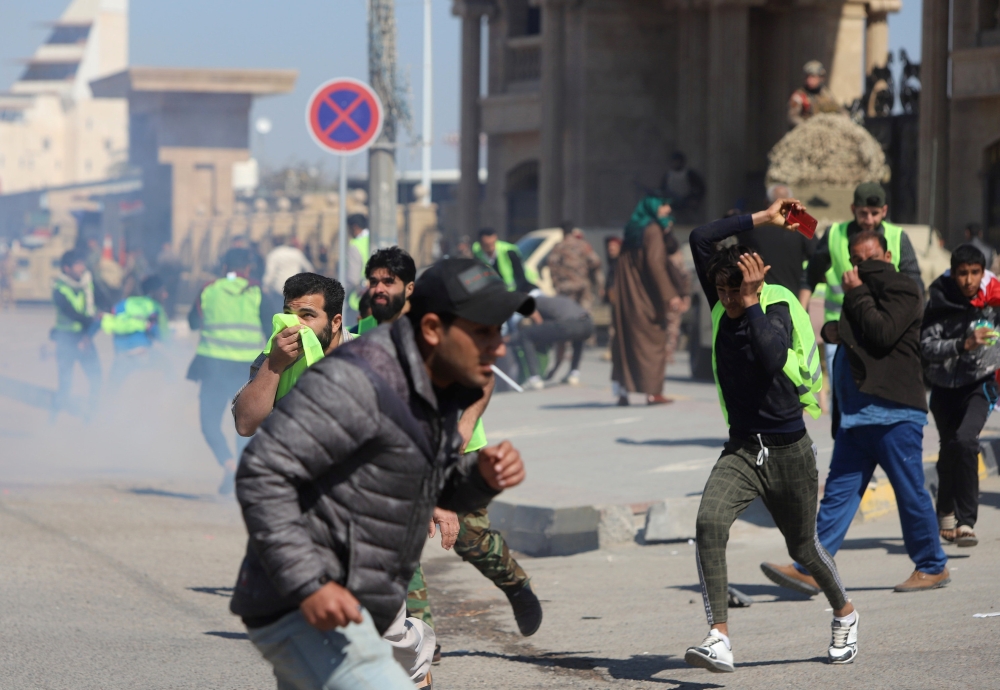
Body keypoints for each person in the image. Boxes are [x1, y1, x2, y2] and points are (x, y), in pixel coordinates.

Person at [229, 258, 532, 690]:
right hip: (304, 588)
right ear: (432, 331)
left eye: (498, 333)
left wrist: (470, 482)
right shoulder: (347, 377)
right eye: (482, 332)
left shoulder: (408, 376)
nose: (499, 348)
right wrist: (310, 584)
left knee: (393, 654)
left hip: (369, 572)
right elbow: (261, 471)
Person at [687, 199, 856, 673]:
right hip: (742, 447)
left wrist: (754, 299)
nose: (725, 298)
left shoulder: (776, 306)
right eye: (719, 288)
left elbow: (769, 354)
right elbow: (702, 237)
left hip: (788, 450)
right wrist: (763, 217)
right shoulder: (722, 292)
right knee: (708, 525)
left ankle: (845, 612)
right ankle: (719, 636)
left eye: (733, 289)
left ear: (753, 284)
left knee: (803, 548)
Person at [762, 230, 949, 598]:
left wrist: (856, 294)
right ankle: (811, 568)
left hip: (894, 414)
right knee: (837, 496)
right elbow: (854, 333)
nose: (864, 267)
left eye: (871, 259)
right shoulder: (861, 292)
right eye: (858, 261)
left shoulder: (904, 288)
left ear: (888, 255)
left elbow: (881, 332)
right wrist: (835, 329)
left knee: (910, 492)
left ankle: (932, 565)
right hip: (857, 416)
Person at [920, 244, 1000, 548]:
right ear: (953, 274)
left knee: (966, 441)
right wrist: (962, 345)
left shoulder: (993, 301)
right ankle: (945, 511)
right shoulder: (939, 301)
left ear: (982, 274)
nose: (968, 280)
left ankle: (967, 522)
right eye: (962, 273)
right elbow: (926, 347)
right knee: (949, 448)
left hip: (980, 384)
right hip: (943, 388)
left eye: (974, 273)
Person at [800, 182, 923, 377]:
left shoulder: (898, 237)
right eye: (863, 213)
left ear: (884, 210)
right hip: (840, 329)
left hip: (887, 326)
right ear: (853, 209)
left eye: (874, 213)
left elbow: (915, 284)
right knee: (841, 392)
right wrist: (799, 316)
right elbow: (810, 276)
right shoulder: (834, 235)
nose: (868, 219)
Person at [232, 273, 352, 437]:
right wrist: (274, 364)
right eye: (288, 314)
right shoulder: (277, 354)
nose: (294, 324)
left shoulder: (368, 356)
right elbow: (245, 425)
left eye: (307, 315)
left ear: (335, 322)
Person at [187, 248, 266, 494]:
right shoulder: (257, 292)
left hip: (212, 366)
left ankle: (229, 464)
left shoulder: (208, 290)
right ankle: (240, 470)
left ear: (223, 268)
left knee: (209, 423)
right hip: (247, 369)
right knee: (245, 423)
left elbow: (191, 322)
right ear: (248, 268)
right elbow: (275, 325)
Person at [609, 195, 679, 406]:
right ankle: (653, 393)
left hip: (626, 298)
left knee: (625, 343)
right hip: (645, 298)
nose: (667, 210)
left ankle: (623, 391)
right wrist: (670, 295)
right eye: (663, 206)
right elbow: (655, 264)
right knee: (653, 343)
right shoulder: (652, 231)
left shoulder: (632, 230)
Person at [737, 184, 816, 295]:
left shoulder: (753, 227)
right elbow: (816, 255)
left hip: (762, 296)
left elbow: (731, 224)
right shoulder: (800, 226)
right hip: (793, 298)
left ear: (766, 202)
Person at [51, 250, 101, 420]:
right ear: (67, 268)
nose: (83, 268)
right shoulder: (59, 289)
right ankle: (54, 419)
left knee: (96, 377)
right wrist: (94, 320)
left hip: (85, 337)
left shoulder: (87, 285)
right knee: (65, 382)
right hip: (67, 339)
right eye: (78, 264)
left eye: (82, 263)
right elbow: (72, 313)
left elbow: (102, 304)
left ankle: (92, 414)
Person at [101, 274, 171, 392]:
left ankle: (102, 408)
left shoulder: (123, 304)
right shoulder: (154, 306)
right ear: (153, 292)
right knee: (170, 370)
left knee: (112, 389)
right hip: (142, 353)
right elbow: (162, 335)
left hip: (121, 355)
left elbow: (106, 321)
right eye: (162, 291)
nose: (165, 295)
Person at [517, 292, 594, 389]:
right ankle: (574, 374)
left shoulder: (533, 301)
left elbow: (538, 322)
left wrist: (539, 340)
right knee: (578, 335)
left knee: (526, 335)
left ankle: (534, 379)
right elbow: (560, 338)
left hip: (568, 325)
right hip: (588, 325)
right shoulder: (555, 301)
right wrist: (555, 369)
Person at [547, 220, 604, 310]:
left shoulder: (559, 247)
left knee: (569, 314)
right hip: (582, 285)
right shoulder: (583, 245)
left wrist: (556, 283)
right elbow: (595, 261)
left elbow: (552, 265)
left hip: (566, 287)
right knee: (584, 314)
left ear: (563, 232)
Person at [262, 236, 314, 329]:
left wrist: (265, 286)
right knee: (295, 316)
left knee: (280, 316)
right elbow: (309, 269)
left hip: (279, 291)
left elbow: (270, 274)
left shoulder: (273, 254)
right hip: (296, 290)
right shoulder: (296, 253)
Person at [472, 227, 537, 293]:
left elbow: (520, 276)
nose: (490, 248)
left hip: (516, 288)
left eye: (492, 243)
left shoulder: (508, 251)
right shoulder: (477, 253)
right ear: (481, 244)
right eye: (487, 245)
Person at [788, 60, 845, 127]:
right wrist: (807, 125)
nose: (809, 80)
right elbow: (792, 117)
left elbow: (839, 110)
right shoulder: (799, 96)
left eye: (813, 76)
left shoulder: (826, 94)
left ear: (821, 78)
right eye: (807, 76)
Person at [662, 151, 705, 219]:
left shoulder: (689, 174)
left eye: (677, 161)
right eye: (674, 161)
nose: (676, 163)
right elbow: (663, 190)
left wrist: (695, 199)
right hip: (673, 204)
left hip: (687, 202)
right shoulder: (668, 175)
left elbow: (701, 187)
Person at [344, 213, 371, 318]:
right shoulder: (375, 240)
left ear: (354, 227)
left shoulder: (355, 245)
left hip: (358, 299)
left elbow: (352, 278)